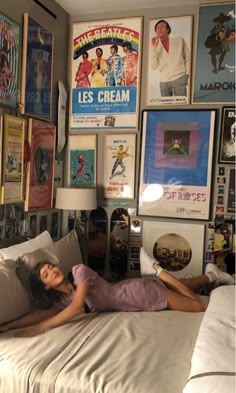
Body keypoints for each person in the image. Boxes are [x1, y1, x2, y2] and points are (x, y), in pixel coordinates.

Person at [0, 248, 234, 337]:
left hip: (139, 293)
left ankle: (158, 272)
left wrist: (43, 328)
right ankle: (212, 275)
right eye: (45, 274)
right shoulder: (63, 298)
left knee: (198, 307)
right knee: (186, 287)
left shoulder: (79, 272)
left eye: (50, 266)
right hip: (133, 297)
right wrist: (9, 326)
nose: (52, 270)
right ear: (46, 287)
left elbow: (76, 307)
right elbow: (40, 314)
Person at [150, 19, 190, 98]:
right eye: (157, 28)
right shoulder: (155, 47)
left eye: (162, 26)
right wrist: (154, 48)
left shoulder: (179, 41)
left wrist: (187, 75)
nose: (159, 29)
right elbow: (153, 66)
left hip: (179, 78)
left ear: (168, 29)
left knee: (181, 106)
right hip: (164, 81)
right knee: (165, 108)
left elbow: (188, 58)